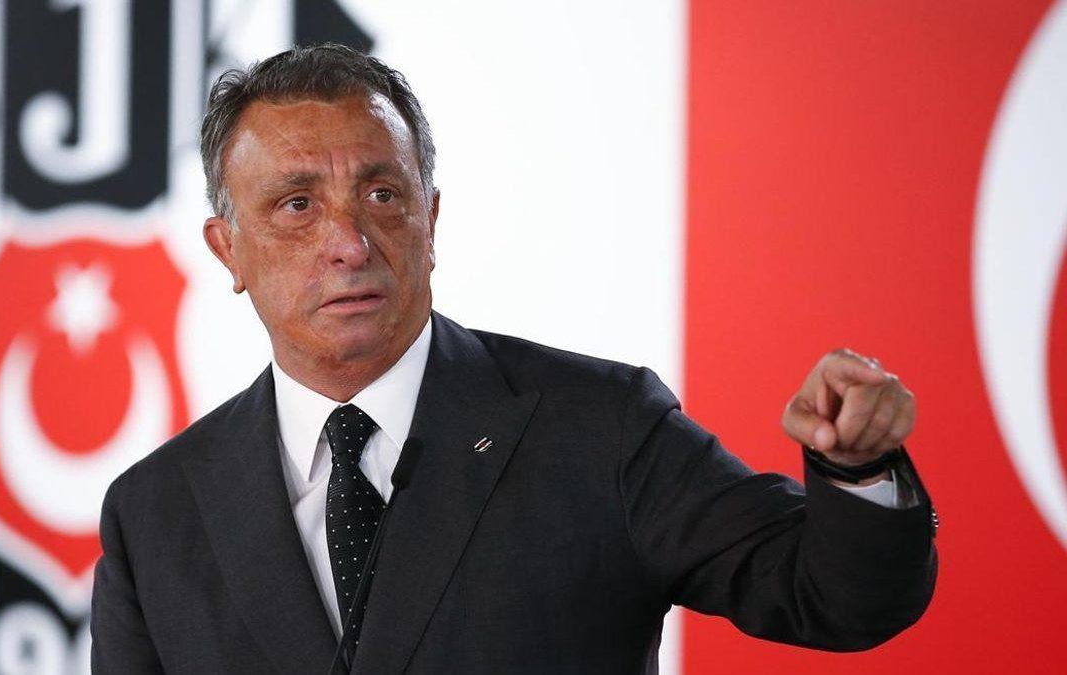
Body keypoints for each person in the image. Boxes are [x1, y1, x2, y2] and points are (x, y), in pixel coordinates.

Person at [90, 44, 937, 674]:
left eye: (382, 194)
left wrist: (856, 466)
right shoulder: (153, 513)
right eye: (297, 204)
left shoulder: (602, 428)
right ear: (227, 248)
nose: (349, 242)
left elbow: (835, 597)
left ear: (431, 219)